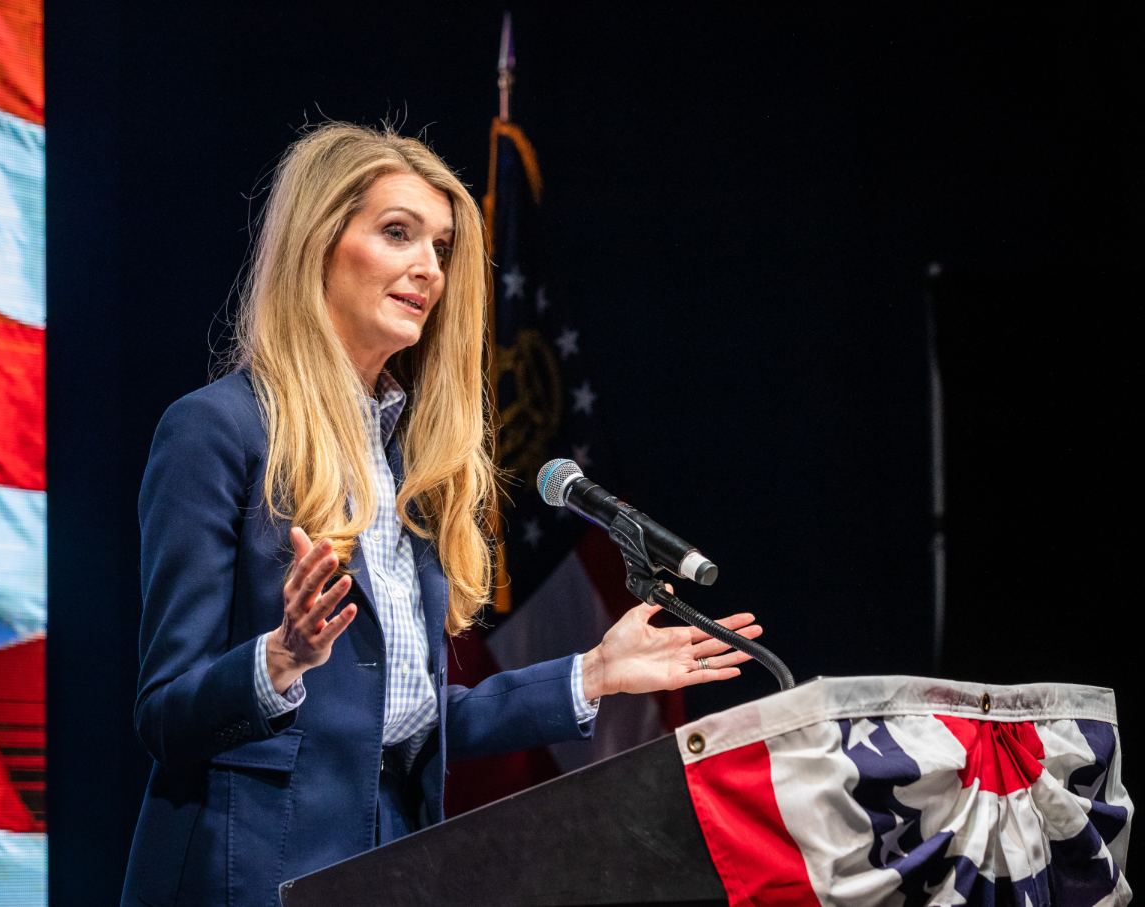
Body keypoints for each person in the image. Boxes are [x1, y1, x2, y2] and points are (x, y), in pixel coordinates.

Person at [120, 123, 762, 907]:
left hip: (391, 866)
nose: (429, 268)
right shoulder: (215, 431)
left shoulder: (412, 464)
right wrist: (279, 659)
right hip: (247, 874)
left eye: (443, 246)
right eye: (398, 233)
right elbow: (164, 714)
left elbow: (412, 716)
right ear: (318, 243)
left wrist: (592, 674)